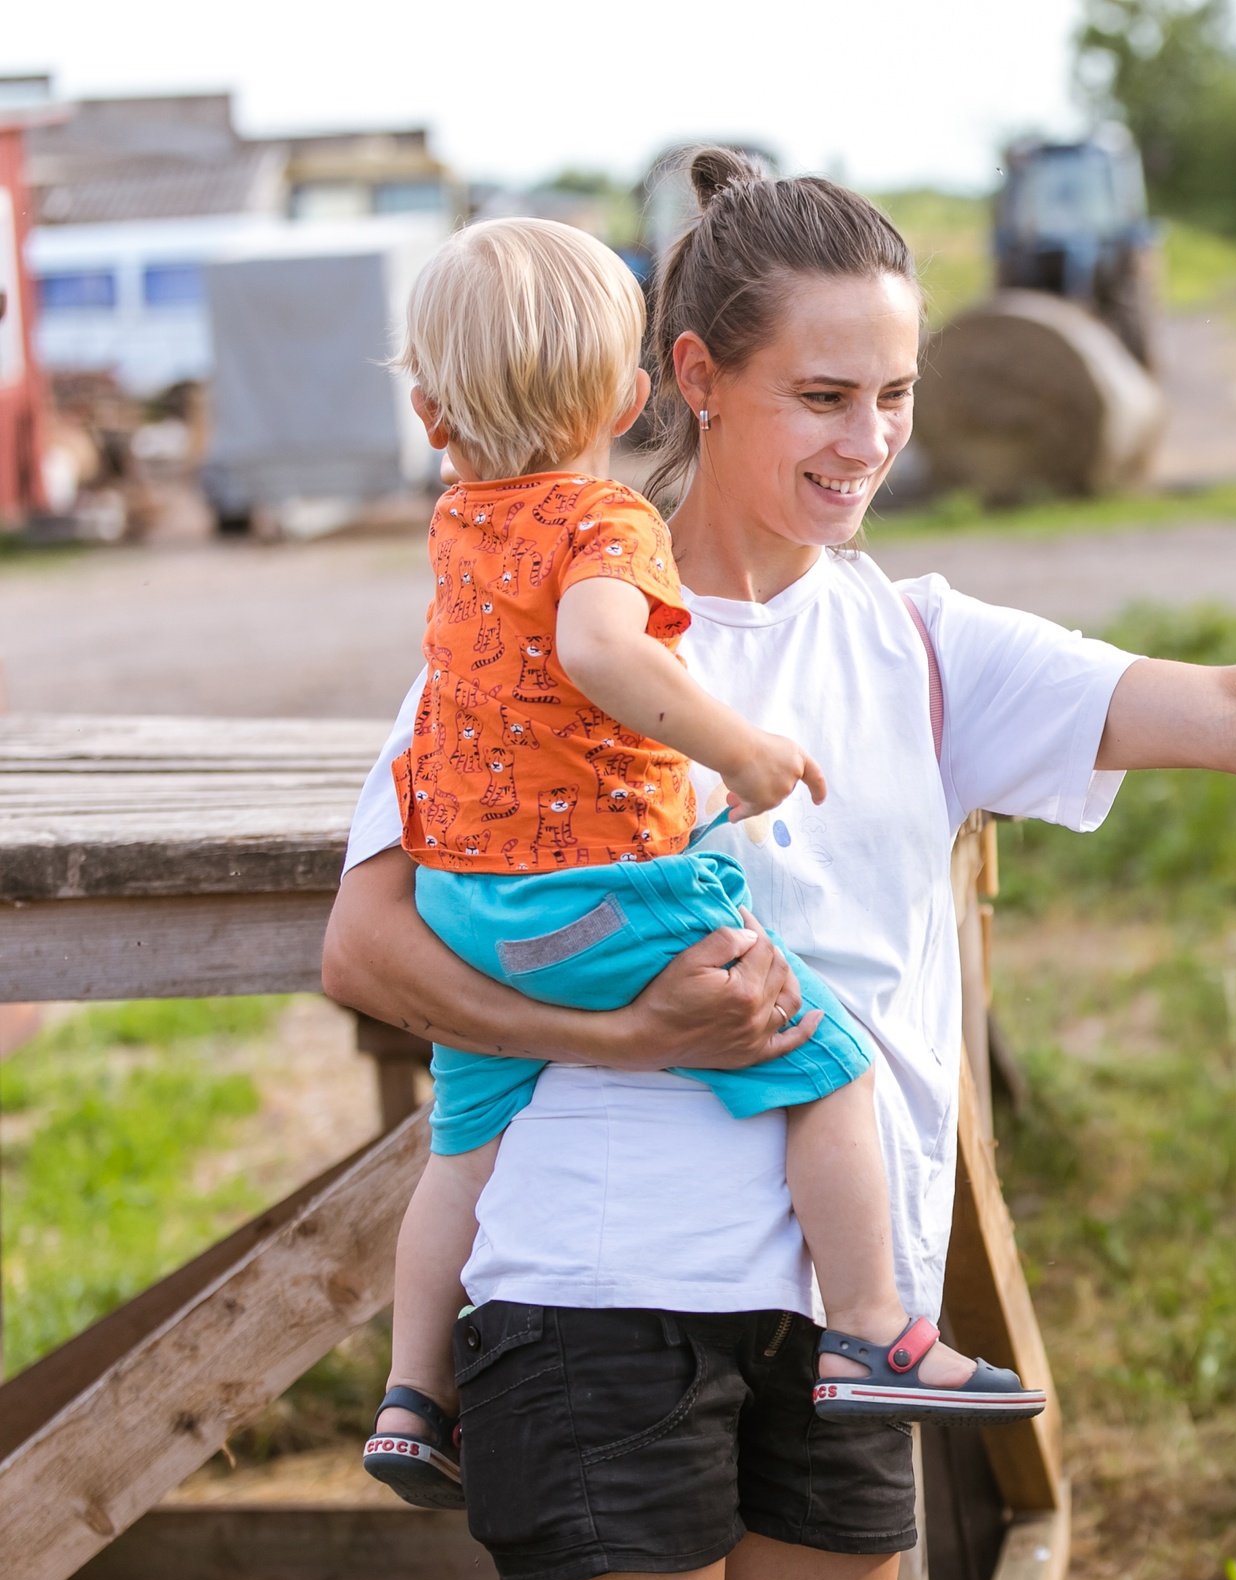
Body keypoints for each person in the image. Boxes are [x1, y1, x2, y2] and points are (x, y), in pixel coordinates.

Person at [322, 147, 1236, 1580]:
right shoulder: (545, 637)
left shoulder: (917, 642)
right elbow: (367, 950)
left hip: (849, 1317)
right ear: (691, 376)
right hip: (603, 1300)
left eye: (896, 394)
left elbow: (1232, 709)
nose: (871, 441)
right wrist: (621, 1034)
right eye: (826, 395)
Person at [361, 219, 1037, 1512]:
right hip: (591, 893)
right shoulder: (607, 523)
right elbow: (612, 656)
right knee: (825, 1055)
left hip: (468, 906)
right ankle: (872, 1321)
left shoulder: (459, 532)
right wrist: (743, 750)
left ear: (429, 411)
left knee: (461, 1139)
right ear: (635, 393)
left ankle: (409, 1391)